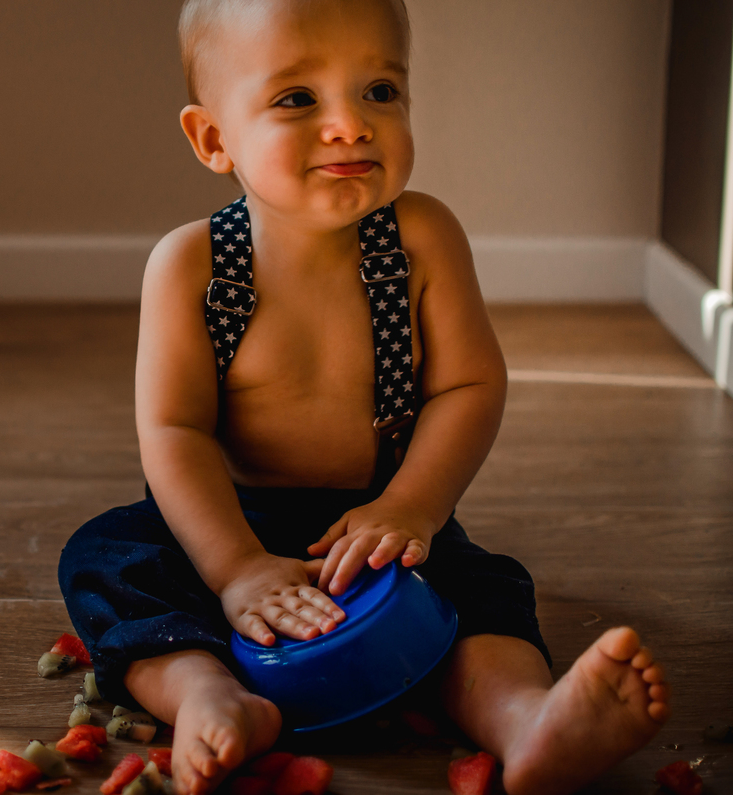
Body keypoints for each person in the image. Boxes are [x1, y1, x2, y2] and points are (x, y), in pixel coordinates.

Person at [58, 2, 669, 793]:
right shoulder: (193, 266)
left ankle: (526, 720)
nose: (350, 124)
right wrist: (237, 566)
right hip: (226, 519)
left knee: (482, 593)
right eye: (297, 99)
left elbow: (468, 384)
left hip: (377, 522)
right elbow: (175, 430)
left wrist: (414, 504)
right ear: (213, 138)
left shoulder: (420, 238)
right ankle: (209, 695)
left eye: (380, 90)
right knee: (109, 562)